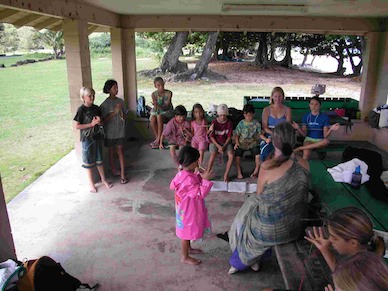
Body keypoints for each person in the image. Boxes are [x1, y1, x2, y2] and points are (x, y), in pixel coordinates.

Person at [228, 122, 310, 274]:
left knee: (247, 212)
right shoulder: (304, 163)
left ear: (273, 141)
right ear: (293, 140)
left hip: (269, 230)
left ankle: (245, 259)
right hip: (294, 227)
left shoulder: (267, 167)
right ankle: (254, 258)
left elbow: (259, 195)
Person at [305, 206, 385, 272]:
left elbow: (342, 278)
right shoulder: (366, 255)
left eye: (335, 238)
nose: (330, 240)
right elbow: (341, 275)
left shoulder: (361, 273)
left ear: (353, 243)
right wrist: (324, 249)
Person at [170, 146, 213, 265]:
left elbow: (192, 186)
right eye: (197, 161)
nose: (198, 163)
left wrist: (199, 176)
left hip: (185, 208)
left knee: (186, 230)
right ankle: (184, 256)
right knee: (185, 232)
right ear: (191, 161)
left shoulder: (183, 173)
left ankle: (188, 249)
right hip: (189, 210)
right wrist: (205, 181)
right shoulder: (188, 179)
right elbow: (199, 194)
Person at [73, 87, 113, 193]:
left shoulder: (96, 108)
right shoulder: (81, 110)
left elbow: (101, 122)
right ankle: (91, 183)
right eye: (89, 96)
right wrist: (90, 124)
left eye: (93, 95)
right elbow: (77, 126)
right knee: (88, 161)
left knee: (100, 160)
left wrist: (99, 122)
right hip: (87, 138)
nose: (92, 97)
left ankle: (103, 179)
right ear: (83, 97)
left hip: (98, 137)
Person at [100, 79, 128, 184]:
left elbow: (125, 116)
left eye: (117, 87)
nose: (117, 89)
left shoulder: (121, 102)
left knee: (120, 151)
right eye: (114, 87)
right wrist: (114, 113)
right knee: (111, 152)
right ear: (108, 89)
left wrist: (121, 113)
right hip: (110, 133)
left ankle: (123, 174)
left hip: (120, 131)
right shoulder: (104, 105)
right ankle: (113, 169)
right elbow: (103, 121)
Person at [234, 104, 266, 178]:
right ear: (244, 114)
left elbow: (260, 134)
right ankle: (239, 171)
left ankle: (256, 170)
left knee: (258, 155)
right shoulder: (241, 123)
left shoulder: (256, 123)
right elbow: (237, 134)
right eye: (246, 115)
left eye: (250, 115)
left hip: (253, 143)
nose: (248, 117)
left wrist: (266, 139)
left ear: (253, 114)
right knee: (237, 155)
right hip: (242, 143)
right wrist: (237, 142)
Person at [260, 87, 292, 162]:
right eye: (275, 96)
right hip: (269, 134)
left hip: (283, 135)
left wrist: (280, 134)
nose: (277, 99)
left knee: (283, 151)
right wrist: (274, 133)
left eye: (279, 96)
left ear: (283, 97)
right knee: (266, 151)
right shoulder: (266, 110)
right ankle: (265, 169)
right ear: (272, 97)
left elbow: (288, 126)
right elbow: (265, 127)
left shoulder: (287, 110)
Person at [207, 104, 234, 182]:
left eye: (224, 115)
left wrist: (224, 146)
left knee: (231, 155)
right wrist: (218, 146)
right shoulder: (214, 122)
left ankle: (226, 174)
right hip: (215, 142)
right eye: (221, 115)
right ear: (218, 114)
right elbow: (211, 137)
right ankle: (208, 172)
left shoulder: (229, 123)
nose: (222, 117)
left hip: (226, 142)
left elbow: (229, 137)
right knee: (213, 154)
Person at [149, 77, 174, 149]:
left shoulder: (169, 93)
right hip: (157, 111)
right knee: (153, 118)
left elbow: (166, 107)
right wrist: (156, 106)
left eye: (162, 84)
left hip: (167, 112)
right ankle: (158, 138)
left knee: (159, 116)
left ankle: (158, 140)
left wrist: (157, 105)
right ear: (155, 86)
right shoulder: (154, 94)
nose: (161, 87)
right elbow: (156, 108)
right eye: (158, 85)